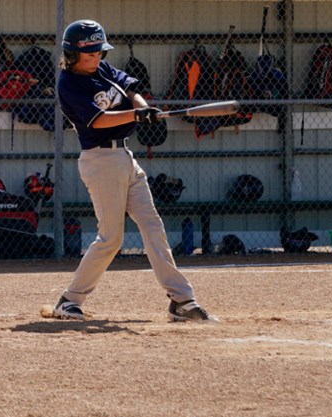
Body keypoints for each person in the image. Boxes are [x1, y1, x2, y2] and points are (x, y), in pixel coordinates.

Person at [51, 19, 216, 322]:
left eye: (99, 53)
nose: (97, 59)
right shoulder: (69, 84)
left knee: (153, 227)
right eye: (89, 55)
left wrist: (143, 107)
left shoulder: (101, 68)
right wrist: (137, 115)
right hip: (100, 161)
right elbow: (99, 120)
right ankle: (68, 300)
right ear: (72, 55)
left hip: (125, 158)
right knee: (111, 238)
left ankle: (181, 300)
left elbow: (130, 89)